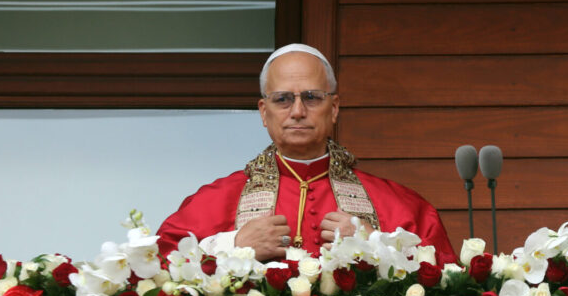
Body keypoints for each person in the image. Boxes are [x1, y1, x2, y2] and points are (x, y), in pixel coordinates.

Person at [157, 43, 457, 264]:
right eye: (283, 99)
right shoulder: (216, 199)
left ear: (334, 108)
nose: (298, 111)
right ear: (264, 112)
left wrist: (374, 244)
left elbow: (445, 274)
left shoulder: (400, 205)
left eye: (312, 98)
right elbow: (157, 264)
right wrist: (233, 244)